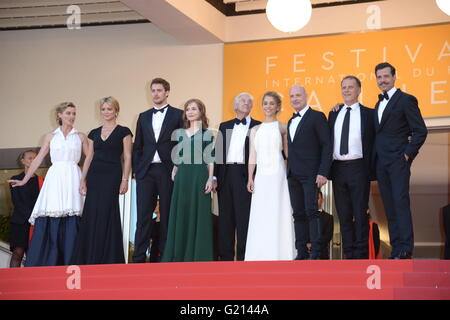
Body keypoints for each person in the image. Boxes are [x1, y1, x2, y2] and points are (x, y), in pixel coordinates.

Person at [8, 102, 88, 266]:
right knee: (53, 213)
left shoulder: (80, 136)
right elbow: (37, 160)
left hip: (74, 176)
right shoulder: (51, 136)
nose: (72, 116)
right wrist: (24, 180)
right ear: (59, 115)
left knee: (74, 216)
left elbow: (91, 158)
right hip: (56, 178)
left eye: (74, 113)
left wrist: (85, 179)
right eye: (68, 113)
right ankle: (48, 262)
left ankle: (72, 261)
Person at [373, 62, 427, 259]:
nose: (382, 80)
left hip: (397, 161)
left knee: (400, 203)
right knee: (389, 206)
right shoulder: (378, 104)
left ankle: (405, 249)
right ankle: (396, 248)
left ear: (395, 77)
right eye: (379, 77)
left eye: (386, 76)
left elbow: (420, 130)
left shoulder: (406, 100)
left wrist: (407, 154)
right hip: (381, 164)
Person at [72, 97, 132, 265]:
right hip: (95, 176)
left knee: (108, 211)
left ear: (116, 111)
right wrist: (83, 179)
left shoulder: (124, 131)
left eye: (109, 109)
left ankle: (109, 257)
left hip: (112, 175)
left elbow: (127, 157)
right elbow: (89, 157)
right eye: (104, 109)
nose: (106, 112)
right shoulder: (93, 132)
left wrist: (125, 179)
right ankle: (89, 256)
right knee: (92, 212)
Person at [132, 78, 183, 263]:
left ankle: (165, 258)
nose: (155, 94)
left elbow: (182, 143)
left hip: (167, 170)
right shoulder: (143, 116)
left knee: (168, 215)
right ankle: (138, 258)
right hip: (146, 171)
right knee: (143, 216)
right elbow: (138, 145)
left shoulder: (179, 114)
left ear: (167, 92)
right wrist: (138, 170)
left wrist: (177, 167)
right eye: (153, 90)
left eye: (159, 90)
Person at [162, 98, 215, 262]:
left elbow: (210, 158)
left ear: (201, 112)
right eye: (188, 109)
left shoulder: (208, 134)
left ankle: (199, 255)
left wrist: (210, 178)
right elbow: (179, 155)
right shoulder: (180, 133)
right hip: (183, 176)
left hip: (199, 175)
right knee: (181, 212)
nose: (190, 112)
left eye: (194, 109)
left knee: (199, 213)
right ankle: (178, 254)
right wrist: (175, 168)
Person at [328, 75, 375, 259]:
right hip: (338, 168)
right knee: (344, 214)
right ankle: (349, 255)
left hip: (359, 167)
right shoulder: (333, 113)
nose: (346, 90)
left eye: (350, 87)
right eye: (344, 87)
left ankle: (361, 255)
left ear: (359, 90)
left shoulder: (369, 114)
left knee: (360, 213)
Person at [245, 91, 295, 261]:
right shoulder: (255, 129)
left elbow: (289, 155)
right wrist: (250, 177)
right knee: (261, 212)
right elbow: (253, 155)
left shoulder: (283, 127)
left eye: (271, 103)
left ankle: (281, 253)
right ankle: (259, 254)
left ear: (278, 107)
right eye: (265, 103)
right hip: (261, 176)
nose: (268, 106)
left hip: (278, 174)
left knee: (278, 209)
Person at [287, 85, 332, 260]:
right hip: (293, 174)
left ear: (306, 96)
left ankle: (315, 252)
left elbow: (327, 145)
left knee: (311, 211)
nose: (295, 98)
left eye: (298, 95)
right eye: (292, 96)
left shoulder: (317, 117)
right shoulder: (291, 121)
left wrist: (323, 172)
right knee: (297, 213)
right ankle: (301, 251)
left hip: (311, 173)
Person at [214, 93, 261, 261]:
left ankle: (244, 258)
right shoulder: (224, 126)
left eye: (250, 101)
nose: (246, 103)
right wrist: (213, 178)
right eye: (243, 100)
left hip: (245, 175)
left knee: (244, 219)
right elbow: (217, 154)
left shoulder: (258, 126)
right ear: (235, 105)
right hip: (225, 176)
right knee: (225, 219)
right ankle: (226, 259)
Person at [8, 150, 43, 267]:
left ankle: (32, 284)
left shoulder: (41, 181)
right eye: (30, 158)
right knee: (17, 254)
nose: (33, 160)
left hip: (36, 224)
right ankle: (12, 284)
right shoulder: (15, 179)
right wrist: (31, 216)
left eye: (35, 158)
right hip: (20, 222)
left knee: (33, 256)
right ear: (22, 161)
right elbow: (17, 202)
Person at [306, 190, 334, 260]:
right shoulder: (305, 216)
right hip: (307, 255)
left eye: (317, 198)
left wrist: (313, 244)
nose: (315, 201)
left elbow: (328, 236)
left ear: (322, 200)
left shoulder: (329, 217)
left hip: (322, 255)